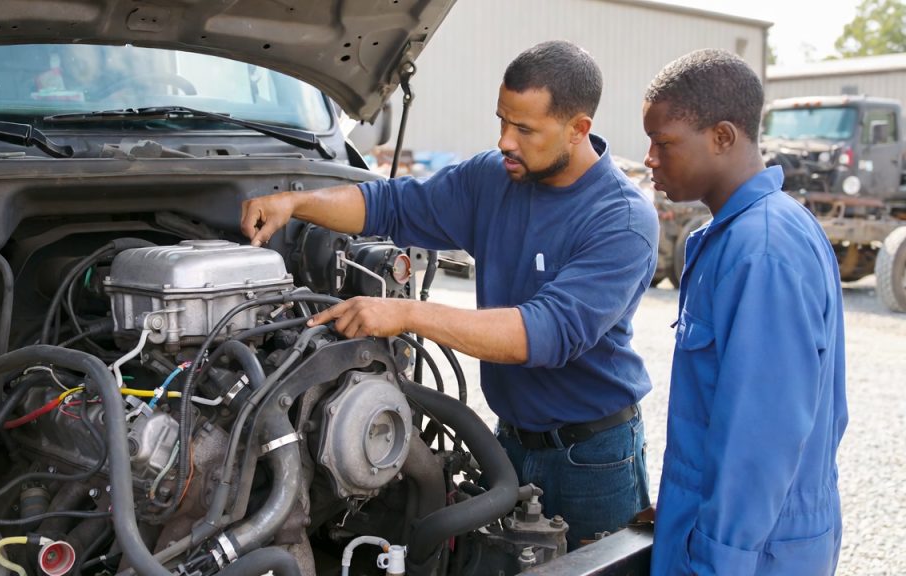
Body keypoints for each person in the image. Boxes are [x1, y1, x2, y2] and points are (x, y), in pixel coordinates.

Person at [241, 40, 659, 549]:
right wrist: (296, 202)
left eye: (525, 129)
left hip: (592, 457)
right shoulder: (494, 178)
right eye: (502, 120)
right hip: (509, 441)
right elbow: (390, 205)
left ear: (578, 130)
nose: (505, 140)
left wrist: (406, 313)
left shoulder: (622, 218)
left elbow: (545, 334)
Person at [642, 49, 847, 575]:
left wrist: (718, 554)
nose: (649, 158)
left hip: (751, 551)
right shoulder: (740, 234)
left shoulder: (764, 250)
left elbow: (763, 441)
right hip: (739, 528)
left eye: (664, 142)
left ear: (723, 137)